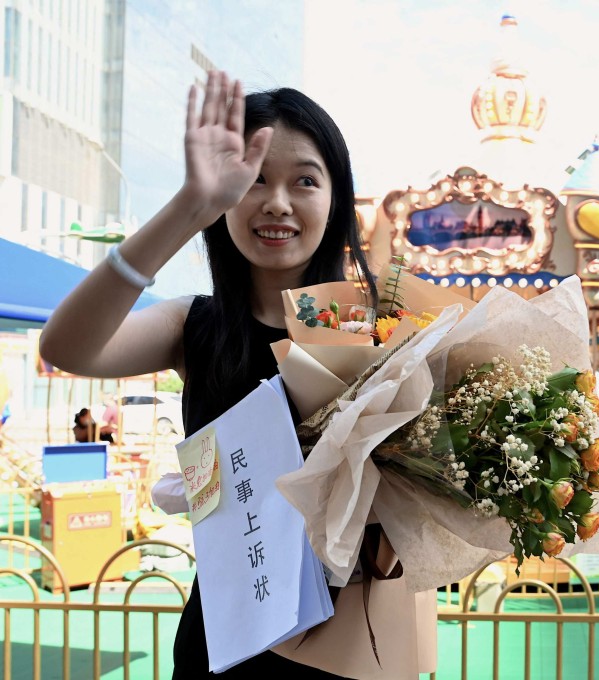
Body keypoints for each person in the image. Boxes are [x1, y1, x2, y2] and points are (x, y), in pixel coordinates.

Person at [39, 71, 375, 678]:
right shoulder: (191, 327)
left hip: (352, 641)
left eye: (304, 180)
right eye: (253, 179)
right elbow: (68, 347)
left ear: (337, 198)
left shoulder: (370, 328)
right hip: (226, 643)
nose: (276, 201)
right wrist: (190, 207)